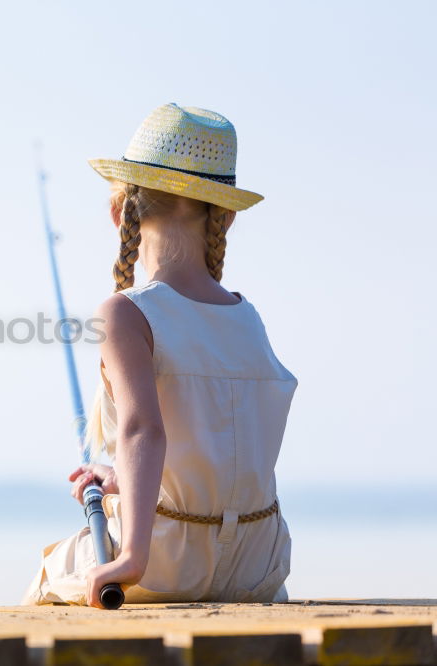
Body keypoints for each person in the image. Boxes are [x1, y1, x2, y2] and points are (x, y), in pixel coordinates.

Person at [21, 103, 298, 607]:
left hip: (166, 562)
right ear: (226, 219)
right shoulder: (248, 319)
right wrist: (120, 481)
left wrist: (132, 557)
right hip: (260, 562)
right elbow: (214, 453)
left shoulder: (125, 312)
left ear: (118, 211)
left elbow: (142, 430)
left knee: (48, 573)